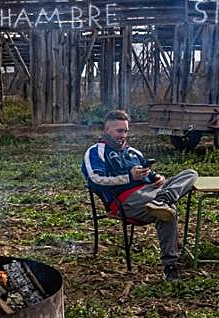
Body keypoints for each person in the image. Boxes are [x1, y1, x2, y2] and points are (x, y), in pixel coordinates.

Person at [82, 110, 197, 280]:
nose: (123, 135)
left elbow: (148, 173)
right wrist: (129, 177)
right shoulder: (95, 152)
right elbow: (95, 179)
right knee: (168, 213)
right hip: (124, 200)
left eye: (126, 131)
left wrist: (156, 177)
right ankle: (170, 266)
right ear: (106, 130)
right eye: (119, 131)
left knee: (190, 173)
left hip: (151, 192)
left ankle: (163, 199)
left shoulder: (133, 152)